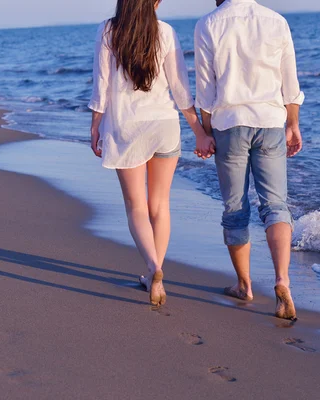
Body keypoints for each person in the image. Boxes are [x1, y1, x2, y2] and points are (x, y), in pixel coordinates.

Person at [89, 0, 215, 306]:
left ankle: (153, 268)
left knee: (136, 206)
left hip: (126, 127)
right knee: (160, 205)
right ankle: (155, 271)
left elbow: (102, 84)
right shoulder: (166, 32)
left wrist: (95, 125)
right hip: (165, 126)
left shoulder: (109, 30)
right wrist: (199, 130)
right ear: (155, 2)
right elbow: (181, 88)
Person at [194, 0, 304, 319]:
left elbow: (205, 87)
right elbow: (289, 82)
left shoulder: (208, 23)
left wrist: (205, 131)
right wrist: (293, 123)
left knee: (235, 208)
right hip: (270, 120)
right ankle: (283, 281)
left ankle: (245, 285)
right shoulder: (276, 20)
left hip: (229, 123)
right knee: (276, 205)